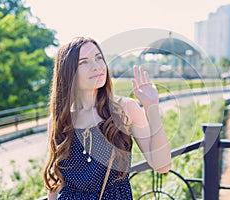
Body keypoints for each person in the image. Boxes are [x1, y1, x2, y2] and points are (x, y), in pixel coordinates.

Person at [43, 37, 172, 200]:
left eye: (99, 58)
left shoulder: (124, 109)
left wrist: (151, 107)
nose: (96, 67)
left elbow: (162, 165)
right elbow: (57, 184)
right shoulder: (59, 121)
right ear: (68, 72)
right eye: (84, 62)